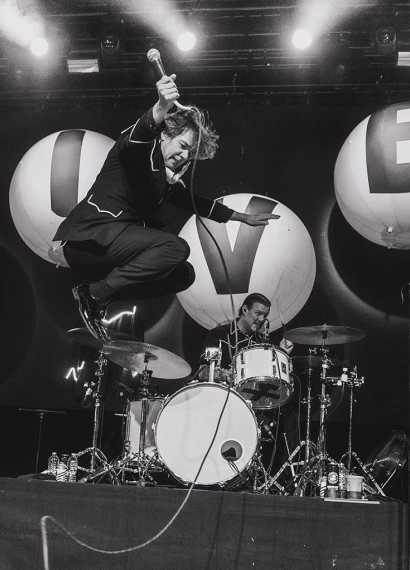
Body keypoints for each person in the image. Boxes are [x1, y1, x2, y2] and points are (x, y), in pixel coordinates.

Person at [53, 74, 279, 341]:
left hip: (109, 252)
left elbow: (195, 202)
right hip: (90, 238)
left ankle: (99, 296)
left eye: (190, 154)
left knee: (184, 275)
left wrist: (241, 217)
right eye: (182, 146)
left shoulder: (163, 179)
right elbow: (136, 138)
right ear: (164, 137)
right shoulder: (140, 151)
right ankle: (93, 294)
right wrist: (160, 107)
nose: (184, 156)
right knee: (176, 247)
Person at [200, 293, 298, 482]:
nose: (261, 320)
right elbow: (203, 372)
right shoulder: (219, 335)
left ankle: (270, 479)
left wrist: (282, 355)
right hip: (220, 400)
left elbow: (269, 379)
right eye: (258, 313)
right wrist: (224, 375)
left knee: (289, 417)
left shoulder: (261, 343)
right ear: (245, 310)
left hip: (250, 404)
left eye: (265, 316)